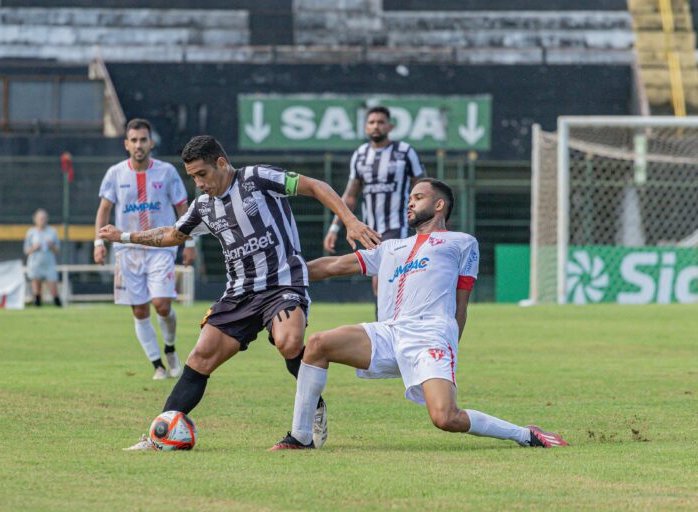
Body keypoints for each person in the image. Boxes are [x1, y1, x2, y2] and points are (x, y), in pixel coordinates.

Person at [99, 135, 381, 451]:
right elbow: (174, 234)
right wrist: (124, 236)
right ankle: (159, 436)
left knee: (289, 342)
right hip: (239, 294)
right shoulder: (203, 206)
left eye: (202, 174)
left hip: (281, 284)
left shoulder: (257, 179)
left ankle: (309, 409)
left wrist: (350, 222)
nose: (199, 183)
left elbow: (315, 186)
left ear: (221, 163)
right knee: (200, 358)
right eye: (192, 177)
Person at [271, 178, 568, 450]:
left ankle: (525, 434)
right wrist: (274, 275)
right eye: (409, 198)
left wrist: (449, 346)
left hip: (430, 336)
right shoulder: (390, 247)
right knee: (319, 344)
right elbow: (332, 266)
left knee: (446, 418)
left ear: (439, 205)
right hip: (388, 332)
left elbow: (461, 304)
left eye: (418, 197)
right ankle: (301, 437)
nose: (410, 203)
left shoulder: (462, 243)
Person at [94, 118, 196, 381]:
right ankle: (157, 365)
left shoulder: (167, 172)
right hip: (127, 252)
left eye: (143, 140)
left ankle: (171, 349)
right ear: (126, 144)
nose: (139, 145)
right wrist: (98, 242)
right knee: (139, 310)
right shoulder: (115, 173)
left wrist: (190, 242)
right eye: (134, 140)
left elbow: (183, 209)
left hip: (160, 248)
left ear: (151, 143)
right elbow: (104, 210)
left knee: (162, 304)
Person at [323, 105, 426, 299]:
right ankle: (387, 321)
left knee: (387, 275)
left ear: (390, 127)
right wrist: (334, 228)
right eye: (371, 122)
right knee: (380, 279)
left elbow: (423, 187)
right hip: (370, 231)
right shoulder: (360, 155)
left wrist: (423, 219)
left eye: (380, 122)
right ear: (366, 127)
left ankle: (391, 321)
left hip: (398, 225)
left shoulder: (404, 151)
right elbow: (350, 195)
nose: (376, 126)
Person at [24, 208, 62, 307]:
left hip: (49, 262)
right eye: (40, 218)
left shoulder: (52, 231)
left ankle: (57, 303)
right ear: (35, 219)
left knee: (52, 284)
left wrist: (52, 246)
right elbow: (26, 250)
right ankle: (37, 303)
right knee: (36, 285)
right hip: (35, 262)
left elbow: (58, 250)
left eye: (44, 218)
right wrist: (34, 247)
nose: (42, 220)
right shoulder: (31, 232)